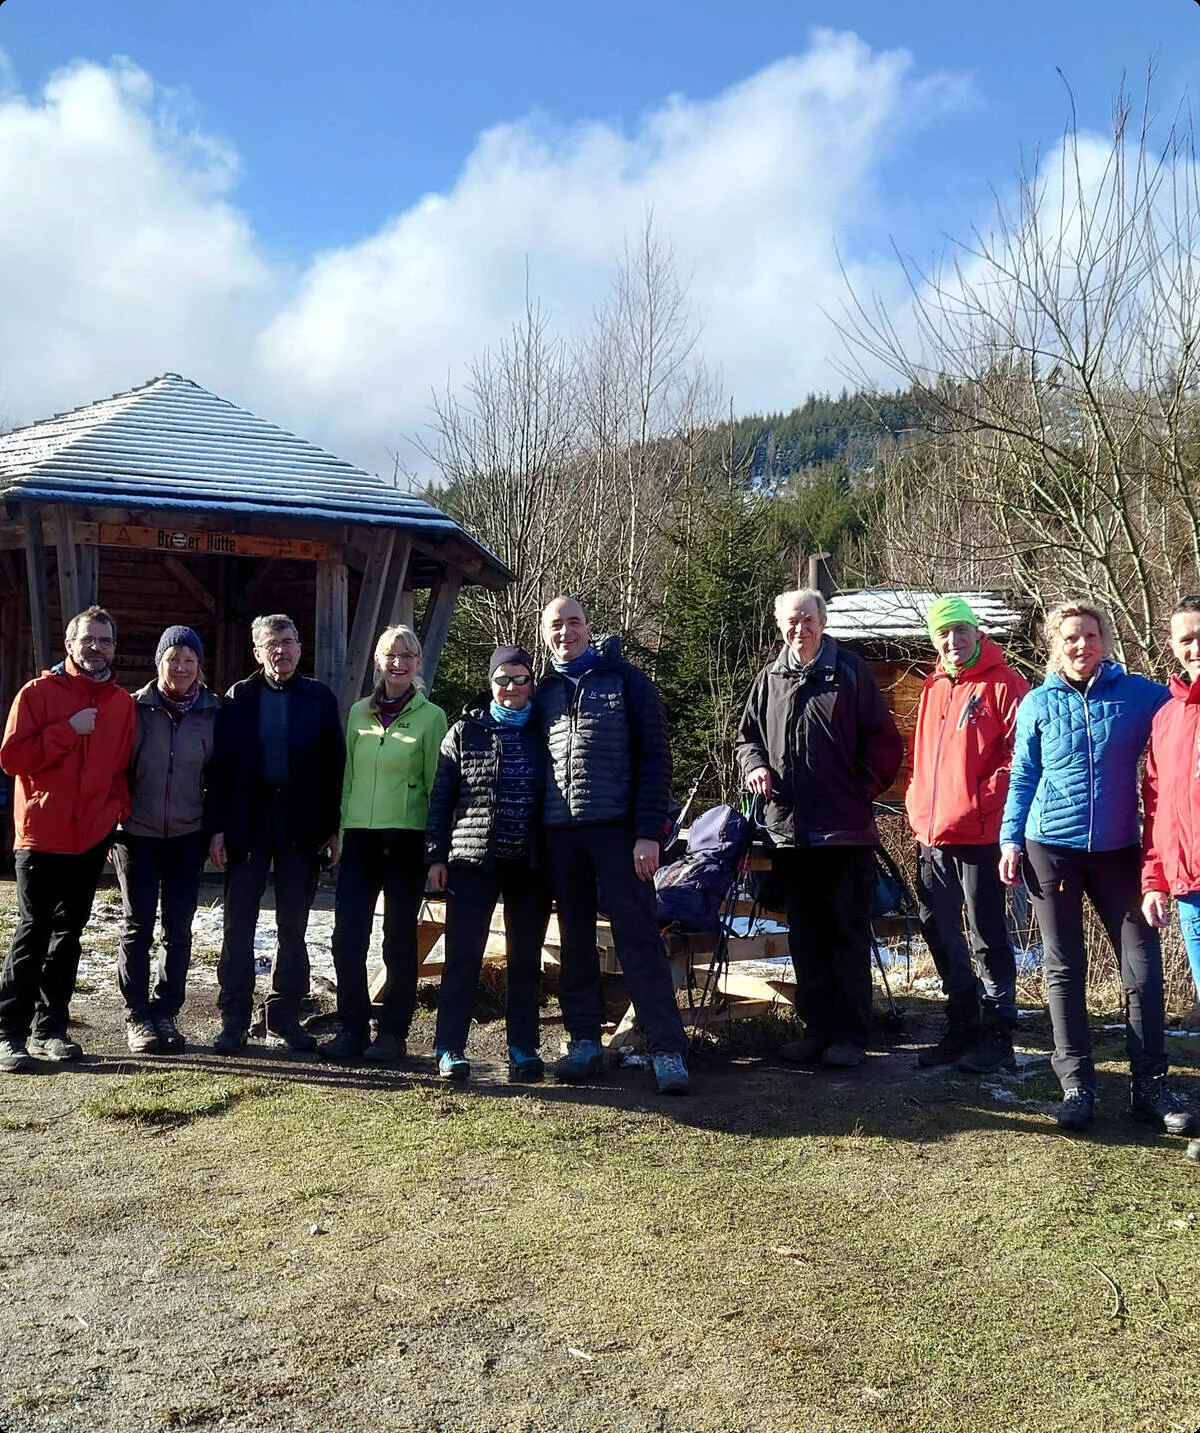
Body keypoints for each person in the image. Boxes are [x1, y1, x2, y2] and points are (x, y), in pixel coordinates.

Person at [999, 599, 1193, 1135]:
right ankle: (1076, 1085)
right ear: (1054, 645)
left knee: (1142, 964)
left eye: (1089, 635)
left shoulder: (1141, 696)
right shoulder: (1037, 703)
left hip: (1119, 849)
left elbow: (1188, 710)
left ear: (1104, 639)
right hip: (1050, 848)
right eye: (1070, 638)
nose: (1080, 645)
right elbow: (1022, 776)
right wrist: (1010, 838)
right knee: (1063, 967)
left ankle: (1149, 1084)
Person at [736, 588, 903, 1069]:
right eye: (791, 620)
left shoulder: (849, 671)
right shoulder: (770, 677)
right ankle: (816, 1031)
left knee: (846, 933)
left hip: (844, 833)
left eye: (808, 619)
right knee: (805, 936)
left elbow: (885, 743)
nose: (800, 628)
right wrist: (754, 766)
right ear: (779, 624)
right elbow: (745, 737)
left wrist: (860, 792)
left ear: (823, 622)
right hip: (788, 831)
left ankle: (850, 1036)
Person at [534, 597, 691, 1095]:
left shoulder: (625, 680)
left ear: (588, 627)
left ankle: (666, 1049)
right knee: (574, 939)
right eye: (555, 626)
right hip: (561, 836)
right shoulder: (541, 693)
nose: (566, 633)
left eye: (574, 622)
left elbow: (655, 759)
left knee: (638, 938)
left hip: (621, 834)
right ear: (545, 635)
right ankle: (583, 1041)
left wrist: (649, 832)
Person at [0, 606, 135, 1072]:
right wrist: (67, 730)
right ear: (70, 643)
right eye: (88, 639)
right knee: (32, 931)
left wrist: (117, 808)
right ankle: (8, 1032)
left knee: (69, 936)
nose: (96, 648)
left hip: (91, 835)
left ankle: (50, 1029)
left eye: (105, 640)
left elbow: (121, 768)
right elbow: (13, 758)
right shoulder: (37, 693)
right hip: (42, 833)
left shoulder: (120, 703)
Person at [206, 614, 344, 1054]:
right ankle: (233, 1019)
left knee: (294, 926)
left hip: (301, 826)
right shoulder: (238, 698)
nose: (281, 651)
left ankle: (284, 1017)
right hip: (248, 823)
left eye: (288, 641)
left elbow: (334, 766)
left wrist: (331, 828)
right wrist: (218, 829)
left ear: (300, 647)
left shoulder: (319, 697)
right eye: (272, 644)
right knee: (238, 924)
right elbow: (220, 770)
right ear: (257, 652)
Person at [905, 596, 1029, 1072]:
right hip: (932, 832)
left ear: (976, 633)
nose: (953, 641)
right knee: (938, 925)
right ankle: (962, 1023)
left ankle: (999, 1034)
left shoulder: (1005, 684)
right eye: (943, 633)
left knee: (986, 932)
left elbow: (1022, 757)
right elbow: (921, 758)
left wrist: (984, 797)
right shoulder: (934, 685)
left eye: (961, 631)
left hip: (981, 833)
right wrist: (917, 802)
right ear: (934, 639)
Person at [320, 625, 447, 1063]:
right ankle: (352, 1026)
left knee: (397, 939)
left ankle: (393, 1030)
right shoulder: (358, 712)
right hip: (359, 839)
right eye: (391, 655)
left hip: (406, 839)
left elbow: (437, 786)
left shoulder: (432, 717)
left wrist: (436, 850)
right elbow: (349, 777)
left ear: (417, 664)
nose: (399, 663)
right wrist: (338, 830)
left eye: (407, 656)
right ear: (378, 661)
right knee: (347, 938)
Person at [427, 644, 551, 1083]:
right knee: (463, 954)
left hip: (531, 863)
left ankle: (523, 1047)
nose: (511, 688)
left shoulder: (547, 728)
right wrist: (434, 857)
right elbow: (441, 800)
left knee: (525, 958)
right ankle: (449, 1047)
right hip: (472, 859)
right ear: (490, 683)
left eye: (520, 679)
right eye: (503, 679)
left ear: (531, 683)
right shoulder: (464, 731)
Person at [112, 626, 220, 1055]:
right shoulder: (135, 708)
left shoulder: (214, 711)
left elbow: (220, 774)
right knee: (137, 927)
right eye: (173, 659)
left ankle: (166, 1011)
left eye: (188, 661)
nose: (180, 668)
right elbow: (114, 766)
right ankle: (137, 1015)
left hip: (187, 833)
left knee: (179, 928)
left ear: (199, 666)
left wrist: (214, 829)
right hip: (135, 832)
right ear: (159, 663)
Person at [1142, 595, 1200, 1023]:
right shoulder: (1166, 717)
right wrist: (1154, 880)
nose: (1195, 648)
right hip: (1190, 890)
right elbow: (1157, 805)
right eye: (1187, 639)